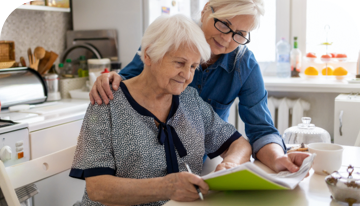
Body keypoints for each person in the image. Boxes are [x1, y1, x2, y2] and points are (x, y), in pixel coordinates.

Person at [89, 0, 310, 174]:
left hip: (194, 164)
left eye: (240, 34)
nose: (227, 38)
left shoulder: (244, 64)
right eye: (224, 24)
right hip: (142, 163)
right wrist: (109, 79)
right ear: (206, 11)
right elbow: (128, 83)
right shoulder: (169, 38)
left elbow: (261, 130)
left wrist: (279, 158)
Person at [70, 14, 252, 206]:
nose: (187, 75)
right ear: (148, 55)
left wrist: (230, 164)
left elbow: (240, 144)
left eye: (193, 66)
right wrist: (166, 187)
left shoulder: (190, 100)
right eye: (179, 63)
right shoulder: (106, 102)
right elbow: (98, 188)